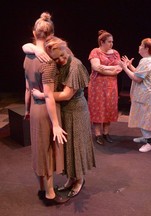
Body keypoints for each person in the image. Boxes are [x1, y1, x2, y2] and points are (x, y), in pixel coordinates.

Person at [24, 36, 97, 198]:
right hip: (63, 111)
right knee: (67, 147)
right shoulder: (54, 60)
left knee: (75, 146)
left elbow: (66, 95)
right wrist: (34, 48)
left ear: (67, 49)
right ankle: (71, 178)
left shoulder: (75, 66)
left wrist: (43, 95)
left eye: (63, 55)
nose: (62, 60)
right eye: (57, 58)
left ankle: (79, 180)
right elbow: (26, 46)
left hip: (76, 112)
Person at [23, 12, 68, 205]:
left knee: (38, 149)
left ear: (34, 33)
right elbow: (49, 96)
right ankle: (50, 194)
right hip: (45, 112)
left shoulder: (27, 56)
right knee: (47, 150)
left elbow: (27, 88)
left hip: (34, 109)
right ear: (51, 35)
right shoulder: (47, 63)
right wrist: (56, 124)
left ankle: (42, 189)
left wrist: (26, 110)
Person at [119, 38, 151, 153]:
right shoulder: (148, 60)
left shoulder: (147, 61)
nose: (139, 47)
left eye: (141, 45)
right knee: (143, 118)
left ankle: (150, 143)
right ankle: (146, 137)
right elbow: (139, 73)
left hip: (147, 96)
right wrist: (130, 66)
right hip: (146, 95)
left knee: (146, 118)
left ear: (146, 48)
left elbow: (137, 78)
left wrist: (124, 68)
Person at [88, 30, 122, 145]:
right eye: (109, 42)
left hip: (111, 86)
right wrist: (111, 69)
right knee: (98, 108)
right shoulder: (95, 52)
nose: (111, 44)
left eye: (112, 42)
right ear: (102, 42)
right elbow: (96, 67)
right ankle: (98, 134)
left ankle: (106, 133)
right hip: (97, 85)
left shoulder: (115, 53)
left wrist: (105, 69)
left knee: (109, 107)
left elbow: (119, 69)